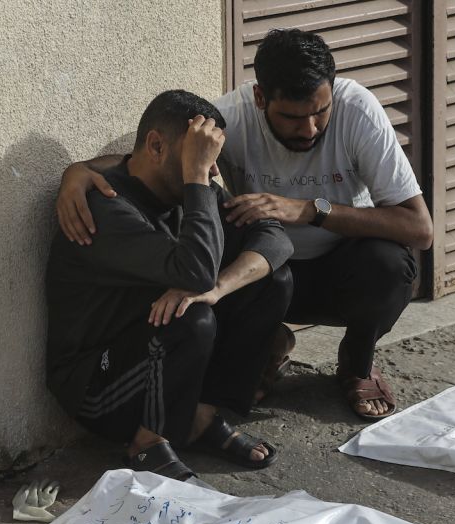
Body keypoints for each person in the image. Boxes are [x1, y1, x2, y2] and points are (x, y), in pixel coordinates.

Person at [57, 29, 433, 420]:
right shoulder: (232, 117)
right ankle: (264, 350)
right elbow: (154, 156)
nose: (309, 130)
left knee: (390, 265)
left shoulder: (358, 112)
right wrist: (78, 171)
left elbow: (420, 229)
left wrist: (309, 211)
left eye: (320, 112)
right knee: (236, 265)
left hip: (341, 272)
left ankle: (356, 363)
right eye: (291, 117)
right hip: (264, 274)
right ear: (260, 98)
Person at [45, 90, 294, 481]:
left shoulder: (188, 189)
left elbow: (276, 239)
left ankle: (200, 417)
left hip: (158, 357)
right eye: (199, 159)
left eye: (211, 161)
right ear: (157, 146)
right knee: (192, 315)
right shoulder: (104, 210)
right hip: (96, 385)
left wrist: (220, 288)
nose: (212, 175)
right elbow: (194, 272)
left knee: (271, 278)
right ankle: (148, 442)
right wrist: (195, 176)